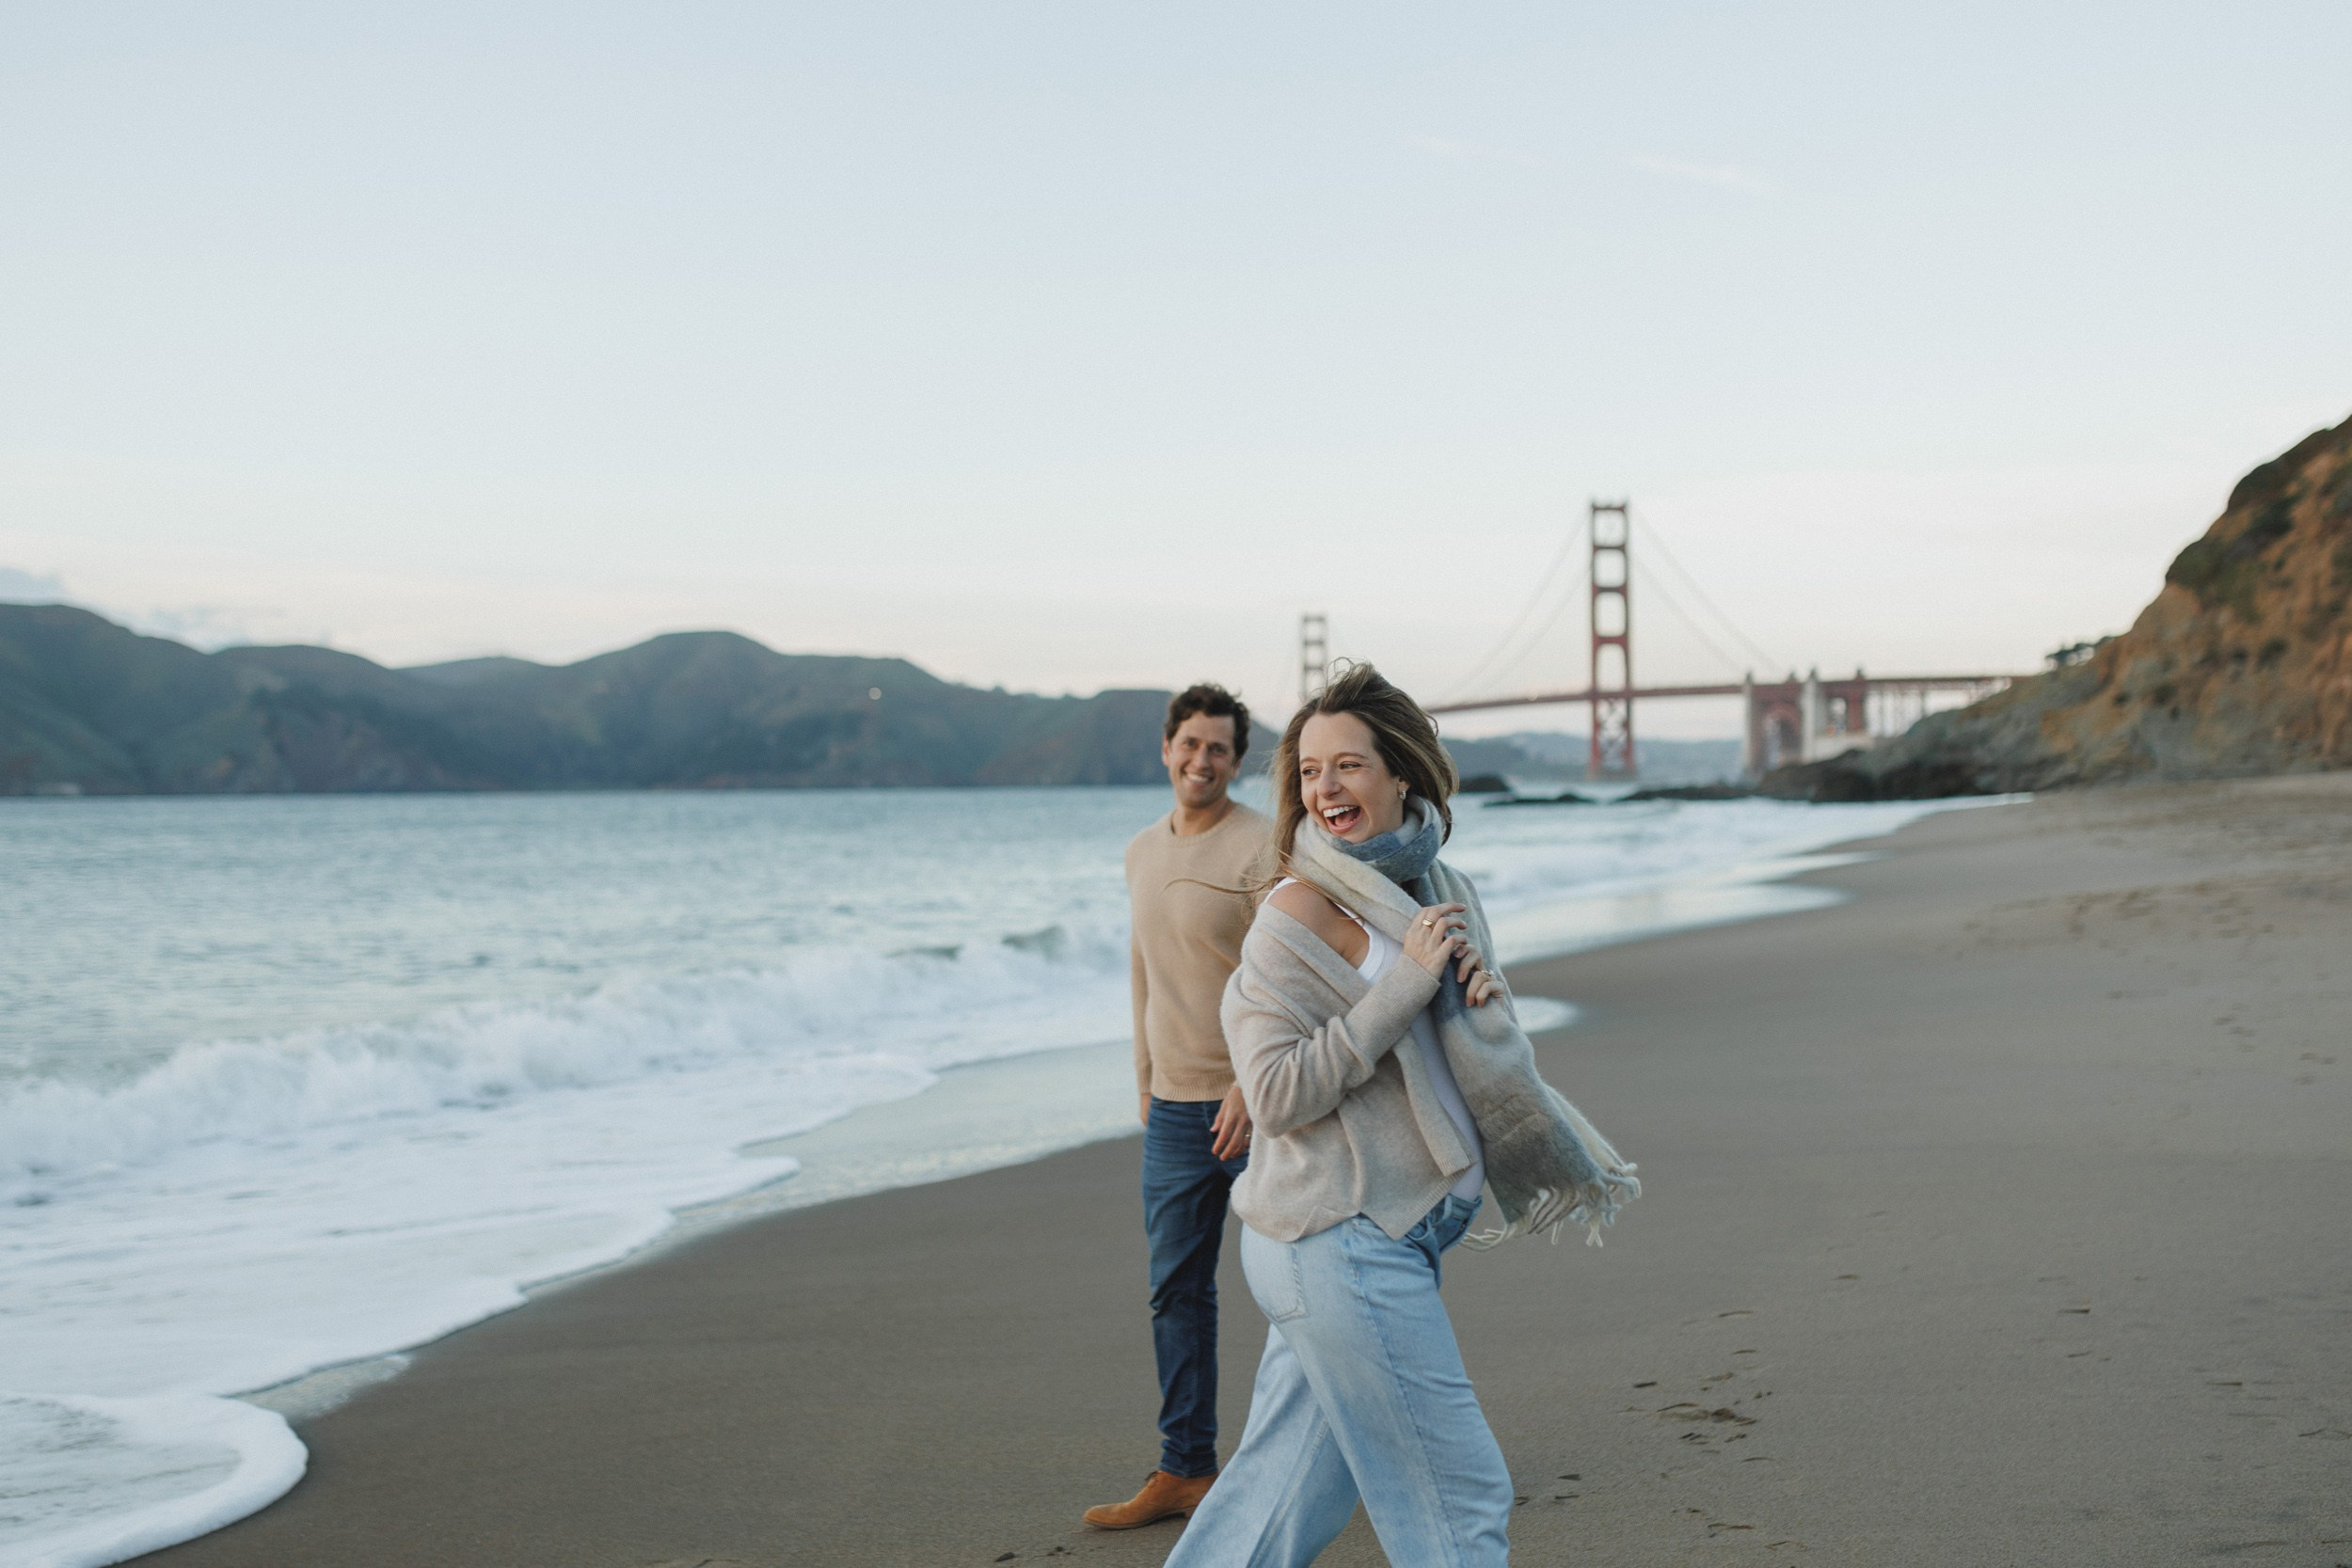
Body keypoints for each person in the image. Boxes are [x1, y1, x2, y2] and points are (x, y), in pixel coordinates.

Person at [1166, 662, 1639, 1568]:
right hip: (1339, 1237)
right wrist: (1407, 987)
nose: (1325, 788)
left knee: (1274, 1506)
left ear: (1400, 774)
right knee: (1459, 1497)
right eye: (1310, 771)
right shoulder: (1295, 910)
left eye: (1348, 765)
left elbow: (1454, 1048)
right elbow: (1275, 1092)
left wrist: (1477, 994)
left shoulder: (1435, 884)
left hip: (1387, 1239)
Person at [1084, 683, 1276, 1530]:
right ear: (1167, 748)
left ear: (1235, 760)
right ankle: (1187, 1468)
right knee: (1176, 1292)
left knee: (1304, 1286)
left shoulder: (1263, 845)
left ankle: (1339, 1450)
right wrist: (1144, 1075)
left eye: (1218, 748)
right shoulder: (1139, 851)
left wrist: (1253, 1080)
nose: (1202, 760)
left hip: (1258, 1104)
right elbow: (1142, 968)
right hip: (1171, 1109)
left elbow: (1284, 972)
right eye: (1190, 743)